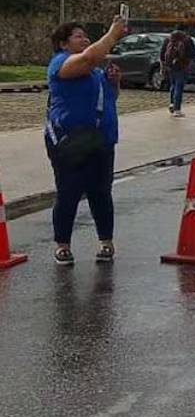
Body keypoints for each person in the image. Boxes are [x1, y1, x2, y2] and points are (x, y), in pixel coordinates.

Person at [44, 17, 127, 266]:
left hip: (101, 140)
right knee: (68, 193)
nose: (85, 39)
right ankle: (63, 245)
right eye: (78, 36)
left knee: (101, 192)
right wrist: (112, 34)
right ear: (62, 44)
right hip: (71, 141)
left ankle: (106, 242)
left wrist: (114, 83)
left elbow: (109, 99)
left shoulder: (95, 72)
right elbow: (89, 58)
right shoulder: (61, 64)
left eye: (85, 36)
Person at [159, 29, 195, 118]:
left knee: (173, 85)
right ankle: (177, 109)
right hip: (182, 66)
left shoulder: (168, 39)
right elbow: (193, 54)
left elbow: (161, 54)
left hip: (170, 66)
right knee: (179, 87)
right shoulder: (187, 40)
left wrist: (163, 66)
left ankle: (172, 103)